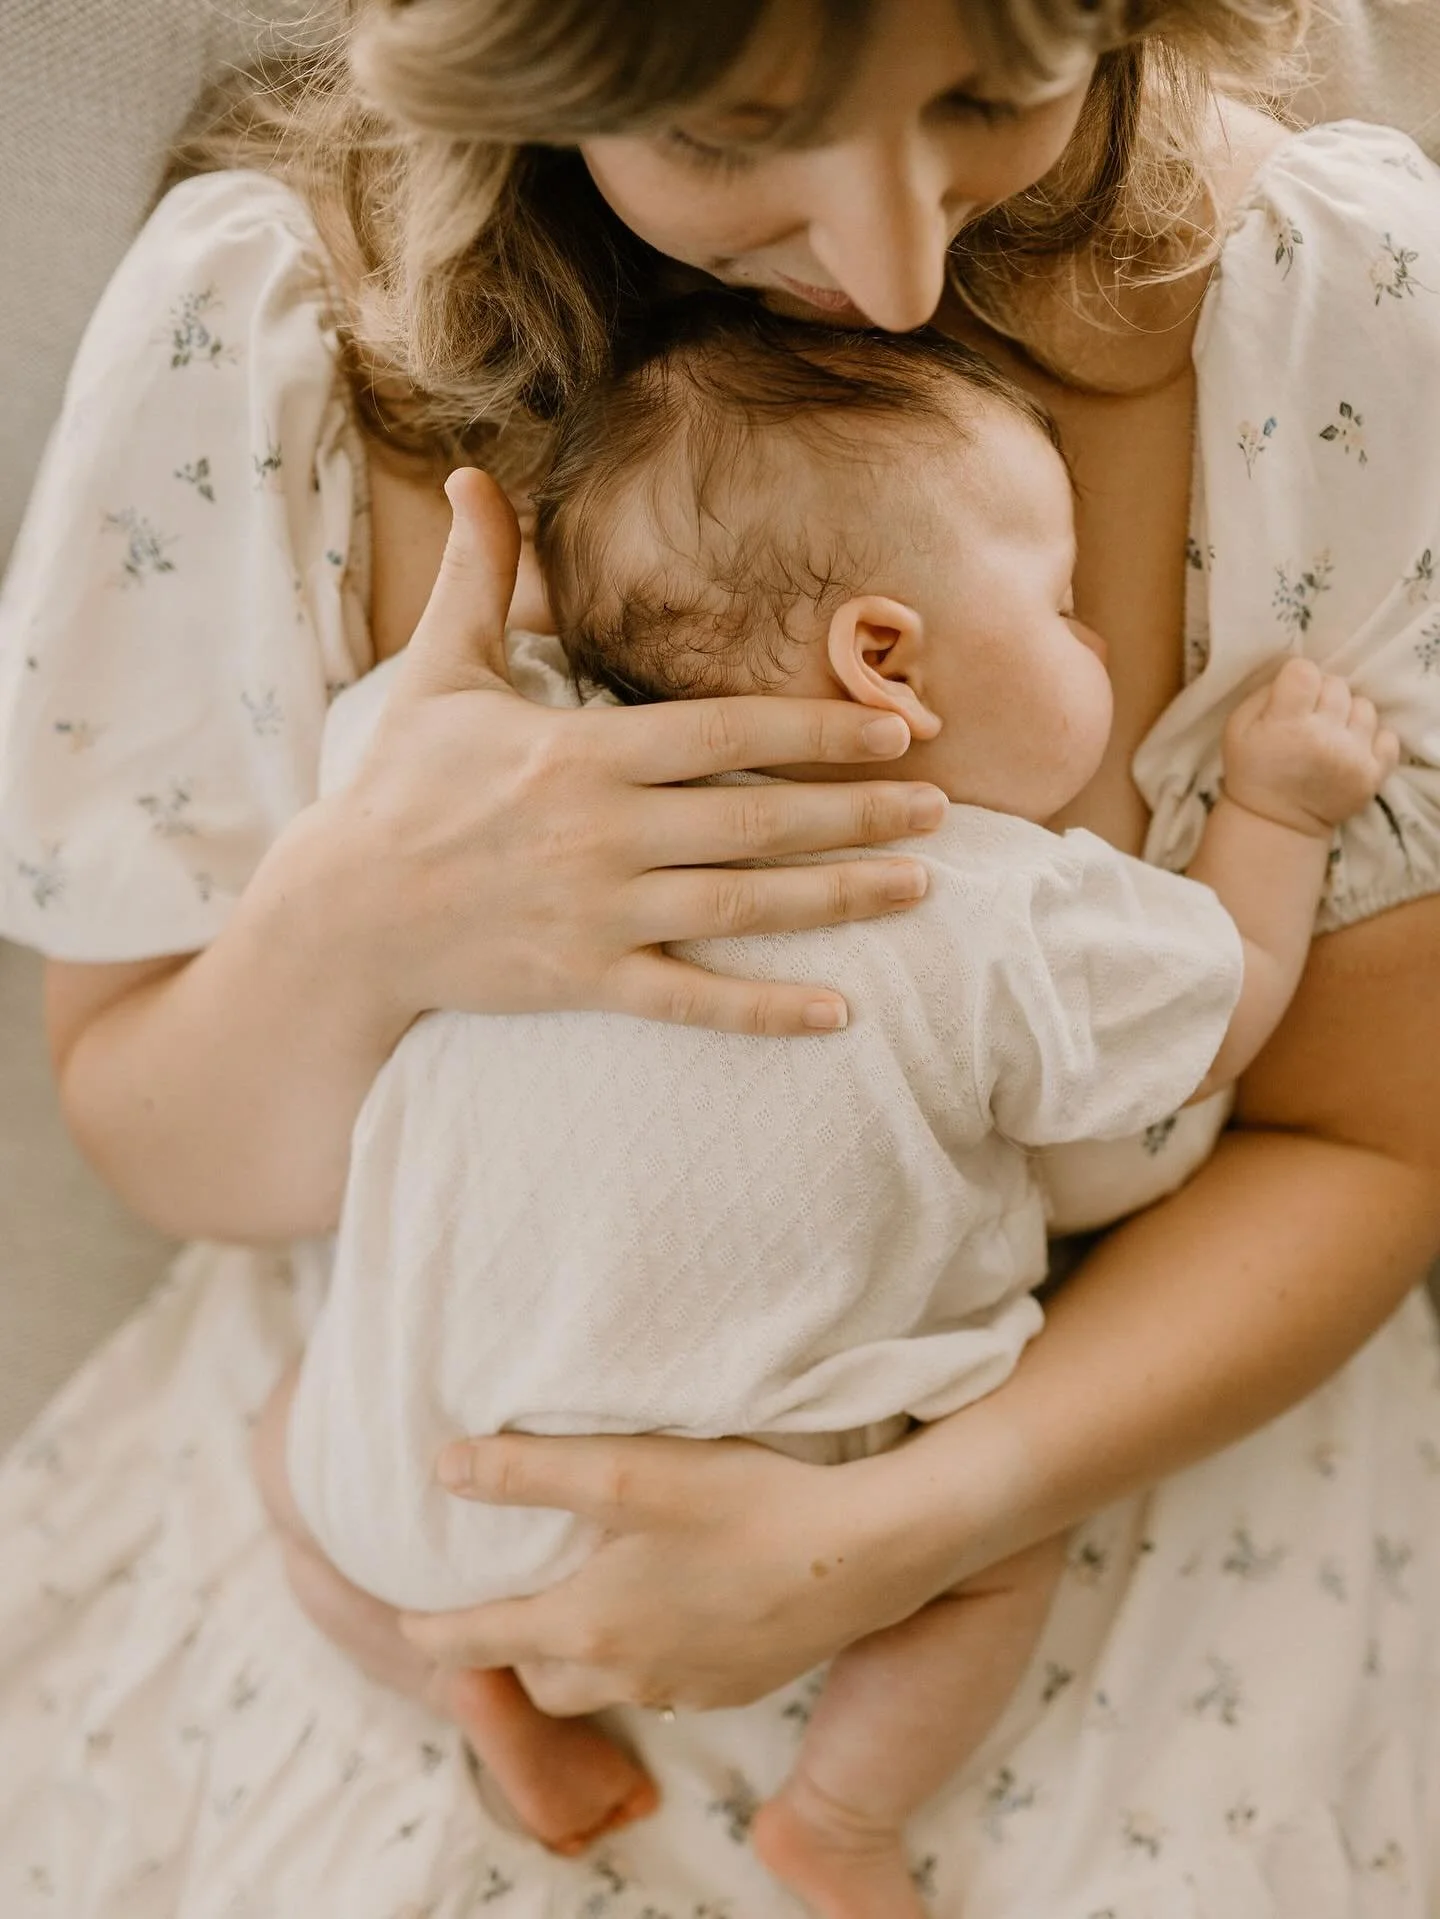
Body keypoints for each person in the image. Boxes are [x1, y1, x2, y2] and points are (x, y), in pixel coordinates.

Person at [1, 0, 1439, 1913]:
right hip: (429, 1400)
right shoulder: (267, 324)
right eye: (737, 131)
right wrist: (363, 922)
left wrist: (906, 1525)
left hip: (1091, 1466)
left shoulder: (1328, 310)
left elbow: (1369, 1135)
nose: (895, 272)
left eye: (993, 93)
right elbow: (148, 1124)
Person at [277, 303, 1398, 1918]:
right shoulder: (993, 903)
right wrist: (1278, 812)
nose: (1092, 644)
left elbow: (376, 748)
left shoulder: (537, 794)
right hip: (771, 1495)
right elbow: (1224, 1011)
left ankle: (463, 1678)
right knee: (998, 1555)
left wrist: (536, 609)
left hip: (410, 1484)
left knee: (286, 1428)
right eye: (1061, 606)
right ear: (886, 658)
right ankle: (840, 1816)